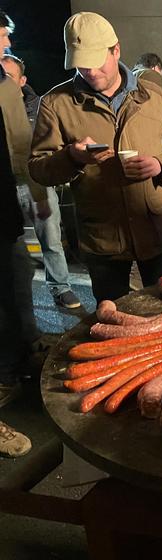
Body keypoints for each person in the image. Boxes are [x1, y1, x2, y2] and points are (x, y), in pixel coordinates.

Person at [29, 12, 162, 304]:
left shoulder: (155, 97)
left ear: (115, 50)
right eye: (81, 65)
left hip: (156, 228)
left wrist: (160, 165)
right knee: (113, 320)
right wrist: (72, 157)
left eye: (95, 61)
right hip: (102, 237)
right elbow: (39, 169)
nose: (90, 72)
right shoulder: (56, 104)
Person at [2, 54, 82, 309]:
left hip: (33, 179)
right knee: (10, 245)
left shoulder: (40, 107)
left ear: (22, 80)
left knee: (50, 234)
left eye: (9, 76)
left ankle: (60, 287)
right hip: (6, 183)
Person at [0, 9, 34, 457]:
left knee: (15, 283)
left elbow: (19, 145)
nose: (6, 39)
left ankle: (17, 361)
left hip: (4, 211)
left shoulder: (5, 84)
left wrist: (36, 191)